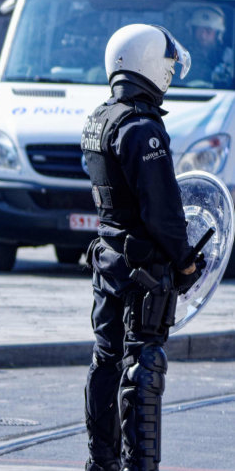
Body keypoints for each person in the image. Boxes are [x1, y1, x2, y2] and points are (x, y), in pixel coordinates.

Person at [81, 24, 205, 471]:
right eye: (167, 63)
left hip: (108, 258)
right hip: (143, 270)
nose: (170, 72)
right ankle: (140, 464)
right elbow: (163, 211)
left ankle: (102, 461)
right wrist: (187, 261)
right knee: (143, 366)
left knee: (105, 362)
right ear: (148, 63)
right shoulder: (142, 127)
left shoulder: (100, 118)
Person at [185, 5, 231, 85]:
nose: (203, 35)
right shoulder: (183, 54)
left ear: (218, 34)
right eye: (199, 30)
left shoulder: (229, 56)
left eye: (208, 31)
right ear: (192, 31)